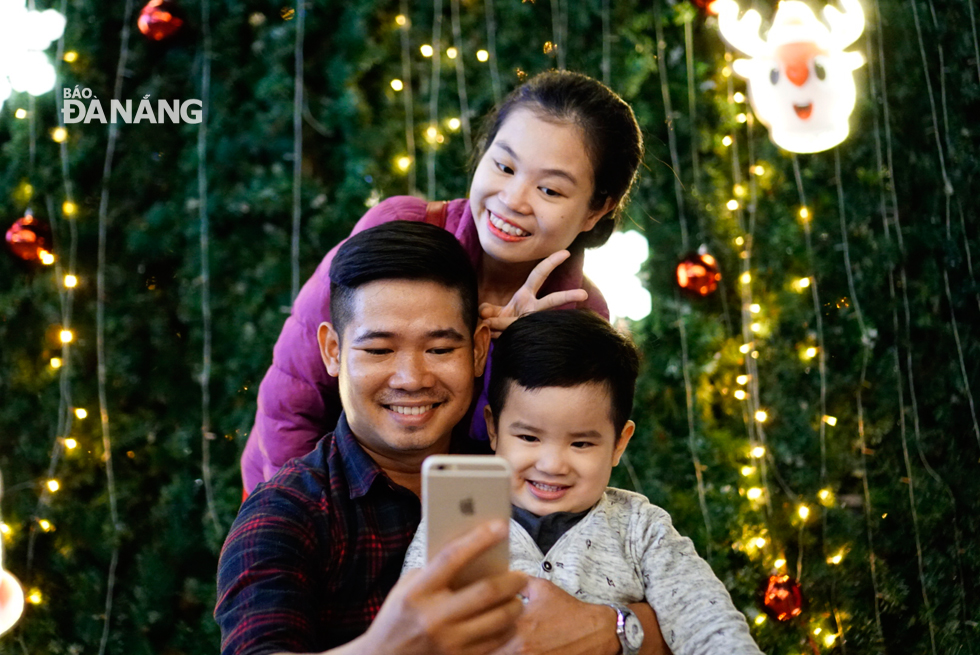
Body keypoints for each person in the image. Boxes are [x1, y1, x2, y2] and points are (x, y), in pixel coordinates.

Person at [216, 223, 667, 655]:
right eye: (378, 350)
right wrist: (387, 648)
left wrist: (611, 628)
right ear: (333, 351)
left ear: (477, 349)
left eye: (439, 349)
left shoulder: (534, 468)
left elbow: (689, 615)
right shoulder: (288, 511)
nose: (412, 378)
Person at [241, 69, 644, 494]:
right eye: (504, 166)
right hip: (315, 492)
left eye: (550, 190)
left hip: (451, 521)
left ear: (596, 209)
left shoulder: (582, 314)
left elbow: (537, 464)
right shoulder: (401, 224)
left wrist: (510, 352)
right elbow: (293, 396)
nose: (512, 200)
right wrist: (300, 511)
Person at [403, 310, 765, 655]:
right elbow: (411, 631)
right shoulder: (457, 521)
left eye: (581, 443)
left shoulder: (642, 528)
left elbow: (708, 622)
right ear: (494, 429)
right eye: (529, 438)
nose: (551, 464)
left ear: (619, 443)